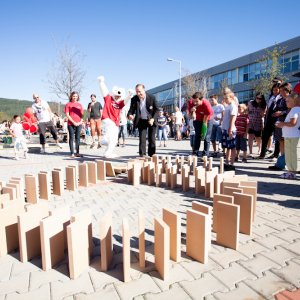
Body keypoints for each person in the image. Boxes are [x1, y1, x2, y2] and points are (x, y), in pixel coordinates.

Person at [98, 76, 132, 158]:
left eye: (118, 96)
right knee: (109, 136)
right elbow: (104, 90)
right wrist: (101, 82)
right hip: (107, 119)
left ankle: (108, 153)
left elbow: (125, 101)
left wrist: (129, 95)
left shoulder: (120, 103)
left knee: (114, 139)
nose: (117, 97)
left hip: (115, 122)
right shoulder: (108, 98)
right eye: (116, 95)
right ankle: (103, 140)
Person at [128, 84, 158, 157]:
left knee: (151, 139)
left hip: (151, 120)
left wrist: (153, 119)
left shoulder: (152, 97)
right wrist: (130, 115)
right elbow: (130, 110)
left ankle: (151, 155)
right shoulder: (134, 99)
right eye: (137, 92)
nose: (138, 93)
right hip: (141, 120)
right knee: (142, 139)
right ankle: (142, 155)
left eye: (139, 91)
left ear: (144, 90)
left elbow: (157, 110)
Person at [275, 93, 300, 179]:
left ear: (294, 101)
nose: (286, 102)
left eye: (288, 101)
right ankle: (290, 171)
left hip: (292, 136)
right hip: (291, 135)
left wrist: (282, 124)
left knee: (291, 154)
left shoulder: (295, 110)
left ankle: (292, 172)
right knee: (290, 154)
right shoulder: (294, 109)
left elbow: (293, 123)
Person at [259, 83, 282, 158]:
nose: (275, 91)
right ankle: (262, 154)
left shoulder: (281, 98)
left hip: (277, 119)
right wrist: (266, 118)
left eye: (276, 90)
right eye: (273, 90)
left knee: (277, 138)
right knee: (265, 136)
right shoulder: (271, 97)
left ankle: (275, 154)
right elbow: (268, 108)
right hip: (269, 119)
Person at [189, 92, 213, 157]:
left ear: (201, 99)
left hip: (208, 120)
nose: (195, 103)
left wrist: (203, 132)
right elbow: (190, 116)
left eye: (197, 101)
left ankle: (205, 154)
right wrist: (192, 111)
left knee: (206, 137)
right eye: (194, 101)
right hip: (197, 119)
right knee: (197, 136)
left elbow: (205, 120)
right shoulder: (191, 102)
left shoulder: (206, 105)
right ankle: (195, 153)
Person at [64, 91, 84, 158]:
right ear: (71, 97)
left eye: (76, 96)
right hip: (71, 123)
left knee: (78, 138)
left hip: (79, 124)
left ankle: (77, 152)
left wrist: (80, 122)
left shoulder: (80, 105)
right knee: (71, 138)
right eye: (73, 96)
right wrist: (73, 122)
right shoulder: (68, 104)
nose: (75, 97)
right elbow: (67, 114)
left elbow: (82, 115)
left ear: (78, 97)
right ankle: (72, 153)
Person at [221, 92, 238, 170]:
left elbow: (233, 118)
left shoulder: (233, 106)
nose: (225, 99)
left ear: (231, 98)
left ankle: (232, 163)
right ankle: (227, 162)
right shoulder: (228, 106)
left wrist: (230, 129)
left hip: (230, 129)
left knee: (232, 147)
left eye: (227, 98)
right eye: (224, 98)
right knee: (228, 147)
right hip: (225, 128)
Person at [247, 92, 267, 157]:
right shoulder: (250, 103)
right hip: (250, 122)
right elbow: (247, 111)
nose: (258, 99)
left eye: (260, 98)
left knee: (258, 137)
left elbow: (263, 114)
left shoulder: (263, 105)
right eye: (257, 98)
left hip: (258, 122)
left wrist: (263, 112)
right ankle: (250, 151)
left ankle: (259, 148)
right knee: (250, 137)